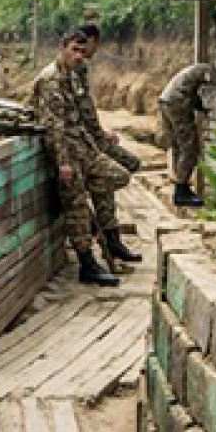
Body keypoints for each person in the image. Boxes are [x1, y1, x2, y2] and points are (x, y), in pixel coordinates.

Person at [31, 30, 130, 286]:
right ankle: (87, 264)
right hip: (68, 153)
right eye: (74, 50)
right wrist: (63, 162)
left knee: (120, 175)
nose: (79, 56)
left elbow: (83, 114)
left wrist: (97, 138)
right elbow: (55, 126)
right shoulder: (51, 79)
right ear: (62, 48)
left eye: (82, 52)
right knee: (76, 209)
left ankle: (100, 230)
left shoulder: (73, 76)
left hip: (82, 149)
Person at [75, 24, 142, 263]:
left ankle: (112, 238)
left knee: (117, 173)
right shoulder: (75, 68)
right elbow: (81, 111)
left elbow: (87, 110)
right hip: (83, 142)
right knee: (123, 168)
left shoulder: (79, 68)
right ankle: (111, 238)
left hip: (90, 138)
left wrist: (101, 132)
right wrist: (99, 136)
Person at [158, 63, 213, 207]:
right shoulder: (209, 72)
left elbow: (194, 94)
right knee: (189, 148)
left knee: (178, 146)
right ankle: (181, 190)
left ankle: (181, 187)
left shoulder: (196, 70)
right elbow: (205, 92)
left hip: (166, 101)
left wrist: (201, 107)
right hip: (177, 103)